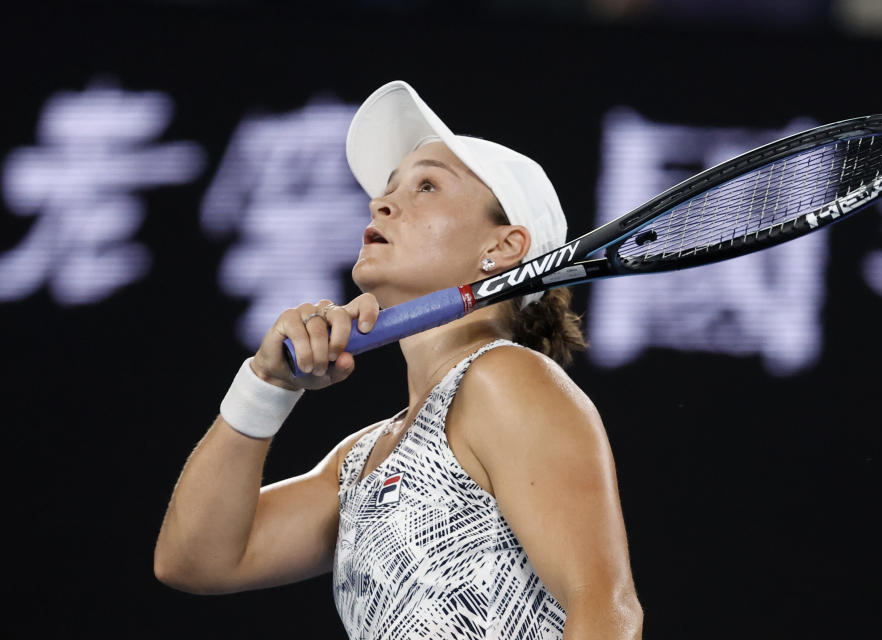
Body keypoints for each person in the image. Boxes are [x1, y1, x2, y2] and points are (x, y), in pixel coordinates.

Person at [154, 80, 644, 639]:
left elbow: (607, 610)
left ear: (504, 247)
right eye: (389, 187)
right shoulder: (363, 456)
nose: (381, 202)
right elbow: (196, 560)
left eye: (427, 186)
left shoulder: (506, 379)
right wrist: (266, 385)